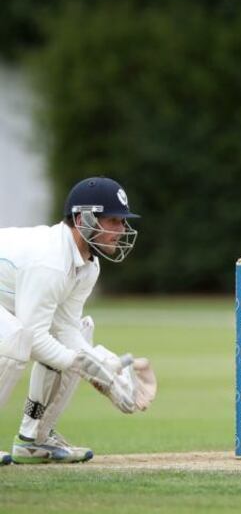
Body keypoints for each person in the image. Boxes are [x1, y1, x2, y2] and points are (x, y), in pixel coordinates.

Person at [0, 176, 157, 465]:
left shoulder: (87, 266)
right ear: (82, 217)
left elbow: (65, 330)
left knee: (81, 332)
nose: (121, 230)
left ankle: (34, 441)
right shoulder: (50, 262)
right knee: (15, 337)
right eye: (113, 221)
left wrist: (108, 372)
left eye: (122, 222)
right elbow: (34, 337)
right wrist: (83, 365)